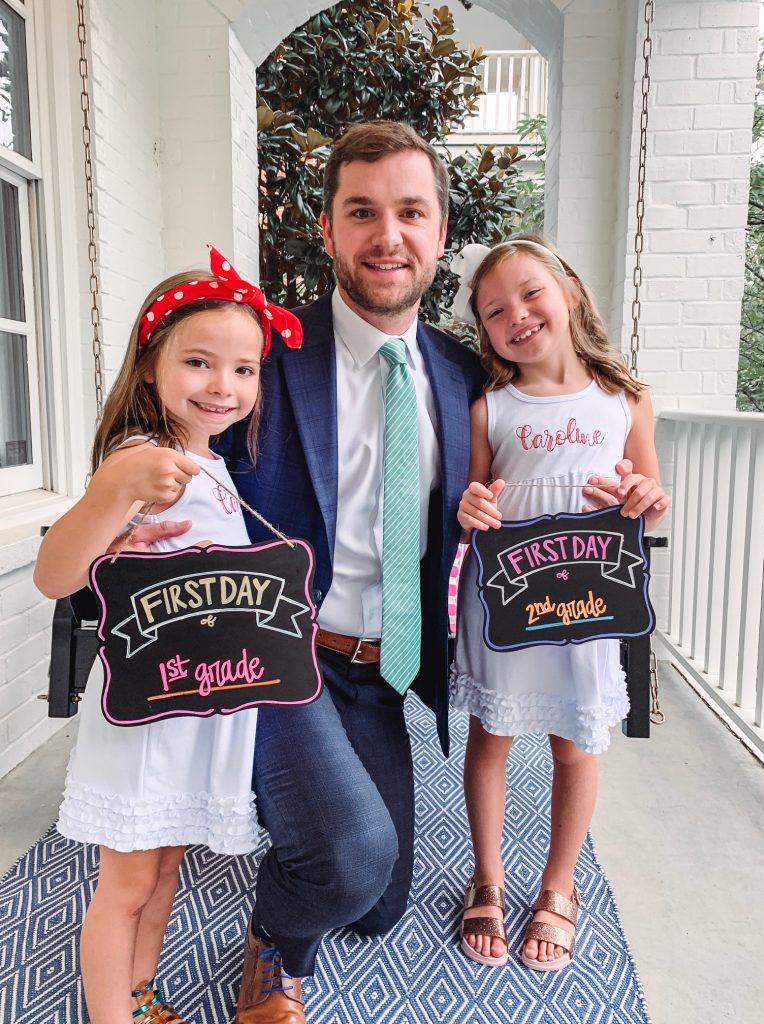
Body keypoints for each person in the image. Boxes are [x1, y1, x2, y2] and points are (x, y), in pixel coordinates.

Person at [210, 121, 486, 1024]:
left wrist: (620, 484)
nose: (387, 236)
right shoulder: (265, 357)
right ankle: (271, 952)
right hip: (282, 656)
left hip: (383, 670)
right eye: (361, 212)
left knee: (375, 905)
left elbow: (560, 425)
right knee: (349, 858)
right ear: (327, 229)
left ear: (440, 231)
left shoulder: (463, 374)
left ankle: (307, 818)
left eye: (410, 212)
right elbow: (169, 422)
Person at [33, 247, 302, 1024]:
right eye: (199, 362)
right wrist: (113, 496)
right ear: (151, 366)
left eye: (245, 369)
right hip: (144, 717)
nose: (224, 385)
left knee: (166, 867)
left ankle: (141, 992)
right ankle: (110, 1012)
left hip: (203, 711)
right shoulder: (138, 460)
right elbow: (56, 574)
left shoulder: (213, 464)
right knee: (124, 886)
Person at [451, 236, 670, 972]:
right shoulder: (491, 407)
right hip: (508, 599)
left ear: (569, 291)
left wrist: (645, 498)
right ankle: (487, 877)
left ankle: (558, 887)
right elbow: (473, 499)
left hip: (589, 600)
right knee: (492, 737)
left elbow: (653, 501)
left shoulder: (626, 399)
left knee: (575, 745)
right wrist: (471, 507)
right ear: (483, 330)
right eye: (494, 310)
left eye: (530, 293)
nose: (516, 315)